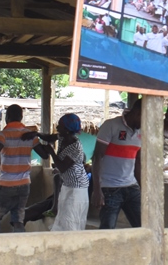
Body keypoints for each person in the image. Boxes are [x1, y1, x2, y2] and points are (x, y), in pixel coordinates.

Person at [0, 104, 52, 232]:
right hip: (24, 186)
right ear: (21, 117)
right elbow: (45, 155)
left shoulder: (3, 134)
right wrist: (42, 137)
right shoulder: (30, 136)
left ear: (7, 117)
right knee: (18, 221)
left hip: (5, 185)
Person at [91, 98, 142, 229]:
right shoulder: (110, 125)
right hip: (110, 188)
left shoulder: (142, 131)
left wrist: (143, 189)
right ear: (138, 113)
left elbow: (138, 162)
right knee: (107, 230)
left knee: (144, 226)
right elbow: (97, 157)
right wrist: (97, 190)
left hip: (131, 187)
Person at [33, 113, 89, 231]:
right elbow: (48, 137)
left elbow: (63, 167)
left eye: (60, 126)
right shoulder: (63, 137)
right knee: (63, 218)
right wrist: (37, 134)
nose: (57, 127)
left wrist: (52, 152)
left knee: (71, 221)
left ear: (68, 130)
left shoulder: (75, 146)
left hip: (77, 188)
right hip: (67, 184)